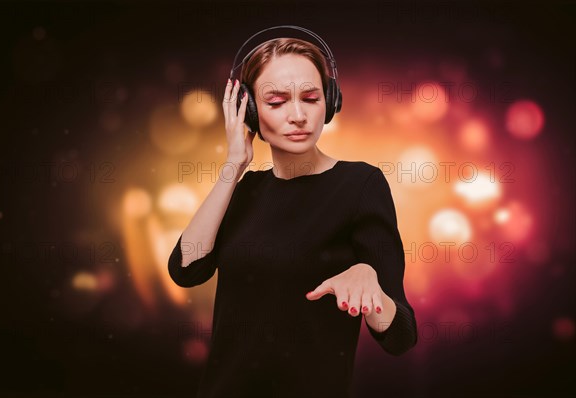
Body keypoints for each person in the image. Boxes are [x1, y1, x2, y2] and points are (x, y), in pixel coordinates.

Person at [168, 32, 418, 398]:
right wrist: (233, 165)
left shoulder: (361, 184)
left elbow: (401, 336)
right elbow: (187, 269)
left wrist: (370, 284)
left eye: (311, 98)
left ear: (329, 102)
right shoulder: (245, 190)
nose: (298, 115)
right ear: (249, 110)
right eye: (276, 101)